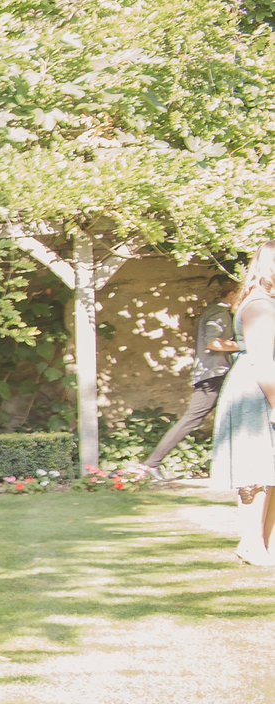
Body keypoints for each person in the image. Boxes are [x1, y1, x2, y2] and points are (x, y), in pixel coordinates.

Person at [209, 242, 275, 567]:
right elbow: (262, 360)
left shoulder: (265, 302)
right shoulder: (260, 305)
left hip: (264, 386)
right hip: (257, 390)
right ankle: (251, 544)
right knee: (256, 470)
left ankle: (265, 544)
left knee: (271, 471)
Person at [139, 288, 240, 479]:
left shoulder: (218, 311)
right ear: (232, 292)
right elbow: (213, 343)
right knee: (192, 419)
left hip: (216, 373)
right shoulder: (219, 312)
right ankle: (151, 464)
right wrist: (247, 345)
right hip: (214, 374)